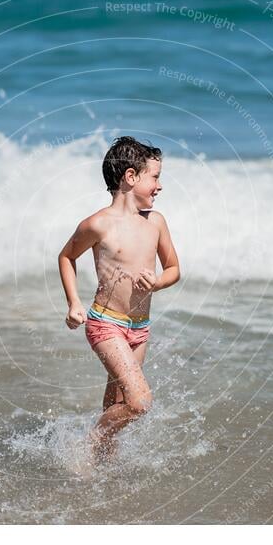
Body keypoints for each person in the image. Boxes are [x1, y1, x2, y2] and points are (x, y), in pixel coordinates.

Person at [57, 136, 181, 466]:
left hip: (139, 328)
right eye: (154, 177)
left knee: (118, 397)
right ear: (130, 177)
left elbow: (174, 269)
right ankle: (91, 441)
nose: (159, 186)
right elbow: (66, 257)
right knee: (140, 402)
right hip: (105, 323)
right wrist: (73, 303)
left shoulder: (155, 222)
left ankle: (103, 458)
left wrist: (157, 282)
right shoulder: (98, 224)